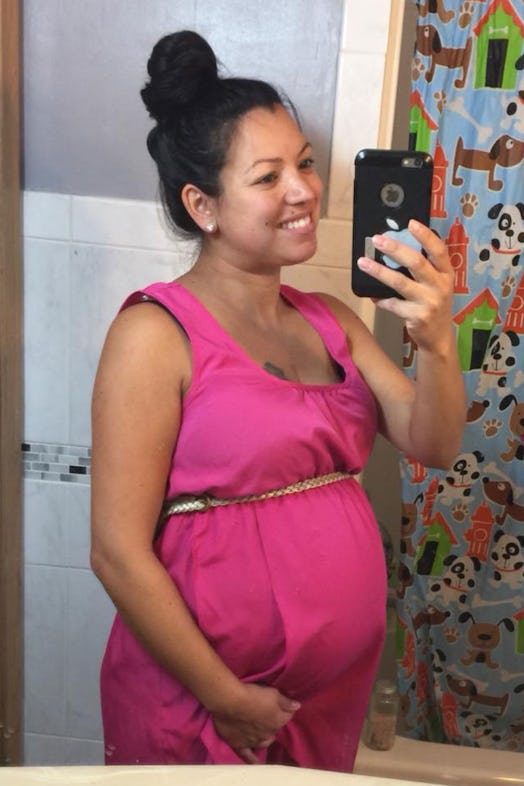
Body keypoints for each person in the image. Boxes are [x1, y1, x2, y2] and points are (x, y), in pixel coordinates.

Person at [90, 30, 466, 771]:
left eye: (303, 163)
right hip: (210, 705)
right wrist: (226, 697)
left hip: (325, 702)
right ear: (203, 203)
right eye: (268, 177)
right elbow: (116, 553)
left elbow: (435, 444)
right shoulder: (153, 334)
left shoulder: (331, 319)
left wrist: (439, 341)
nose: (303, 190)